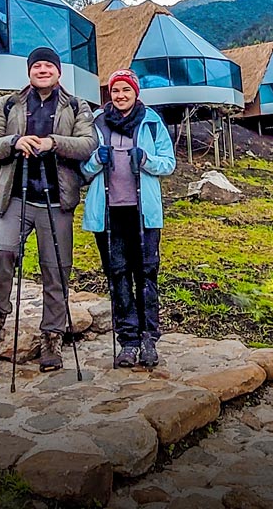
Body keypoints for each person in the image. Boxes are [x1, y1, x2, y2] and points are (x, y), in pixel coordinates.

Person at [0, 46, 96, 372]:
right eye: (37, 65)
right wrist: (14, 141)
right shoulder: (8, 104)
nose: (42, 70)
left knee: (56, 269)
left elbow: (88, 143)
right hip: (15, 196)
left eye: (48, 65)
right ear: (29, 71)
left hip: (57, 200)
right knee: (0, 252)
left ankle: (52, 336)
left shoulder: (76, 105)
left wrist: (53, 142)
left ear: (59, 72)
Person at [81, 69, 175, 368]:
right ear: (109, 93)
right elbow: (81, 168)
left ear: (136, 93)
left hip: (143, 212)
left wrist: (146, 161)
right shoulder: (96, 123)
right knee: (117, 275)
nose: (120, 95)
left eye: (126, 90)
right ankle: (128, 341)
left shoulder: (151, 122)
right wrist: (97, 160)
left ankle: (149, 338)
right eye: (116, 90)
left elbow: (169, 163)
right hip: (109, 213)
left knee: (146, 274)